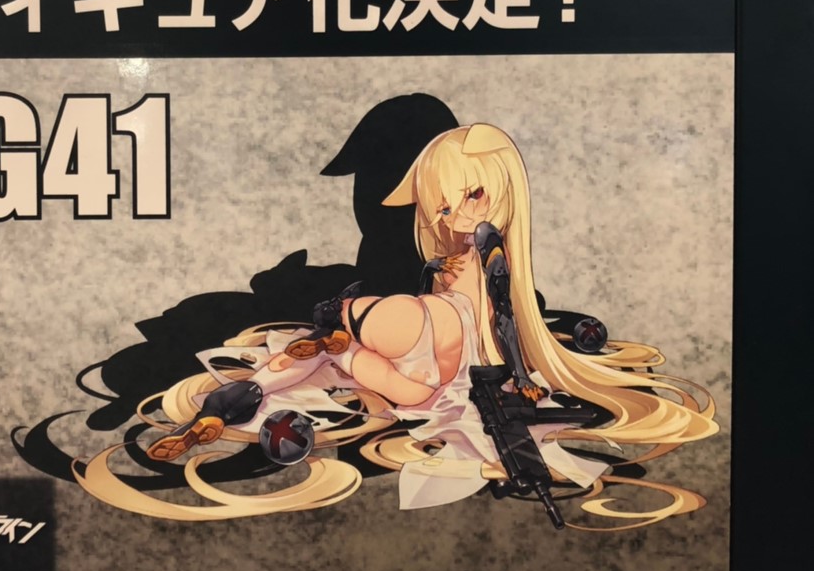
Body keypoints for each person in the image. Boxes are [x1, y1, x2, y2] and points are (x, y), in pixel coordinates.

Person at [77, 124, 716, 528]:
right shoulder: (471, 257)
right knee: (335, 355)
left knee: (351, 339)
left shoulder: (492, 256)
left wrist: (517, 374)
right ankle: (266, 380)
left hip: (434, 346)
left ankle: (332, 329)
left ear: (501, 191)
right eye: (441, 203)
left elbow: (496, 324)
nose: (450, 214)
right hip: (425, 373)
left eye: (469, 196)